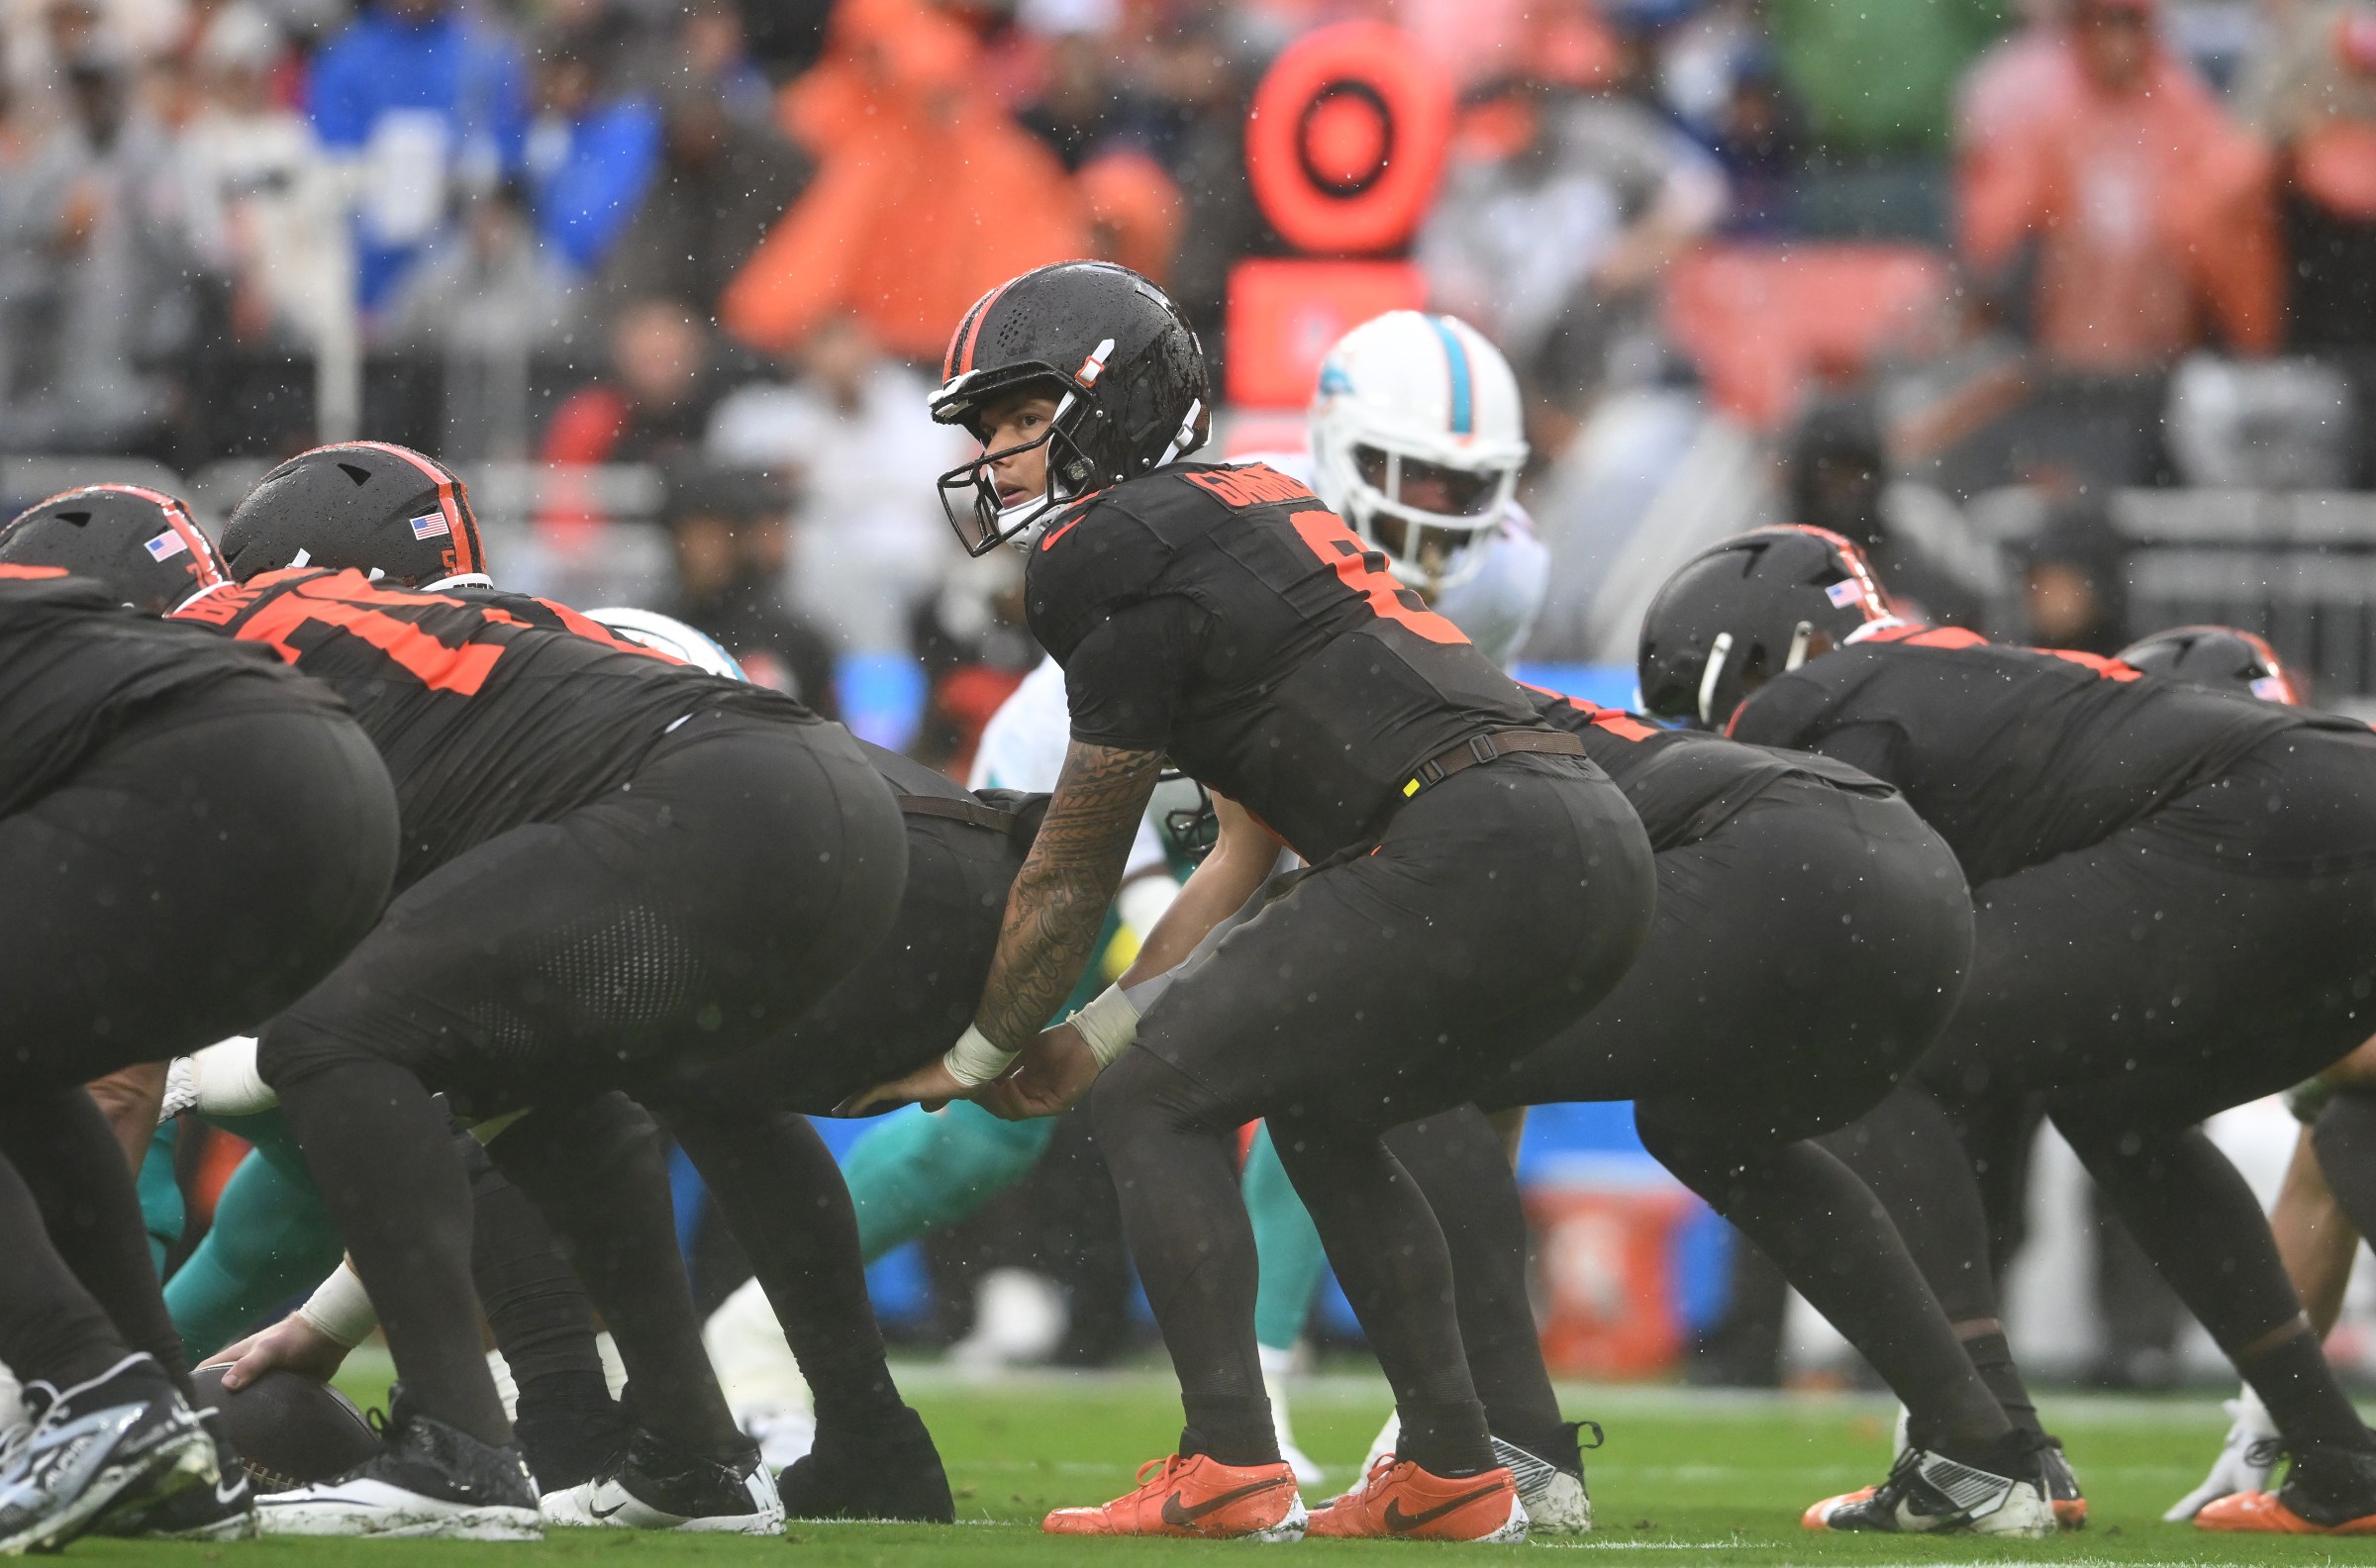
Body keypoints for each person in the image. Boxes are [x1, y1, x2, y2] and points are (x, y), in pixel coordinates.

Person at [854, 259, 1658, 1543]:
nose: (997, 455)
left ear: (1106, 407)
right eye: (988, 429)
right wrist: (1095, 1033)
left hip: (1457, 840)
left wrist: (980, 1048)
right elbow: (1244, 860)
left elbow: (1073, 863)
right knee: (1326, 1111)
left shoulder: (1101, 547)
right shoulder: (1255, 506)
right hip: (1582, 836)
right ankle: (1454, 1469)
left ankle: (1230, 1457)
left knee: (1158, 1104)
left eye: (1017, 418)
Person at [1, 452, 910, 1539]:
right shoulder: (363, 631)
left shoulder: (210, 658)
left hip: (712, 800)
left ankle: (463, 1459)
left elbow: (127, 1071)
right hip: (835, 807)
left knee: (329, 1039)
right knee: (537, 1089)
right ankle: (699, 1453)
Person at [1639, 525, 2376, 1535]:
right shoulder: (1940, 679)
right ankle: (2338, 1459)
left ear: (1759, 659)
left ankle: (1986, 1448)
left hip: (2263, 815)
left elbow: (1821, 941)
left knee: (1874, 1030)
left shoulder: (1820, 700)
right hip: (2332, 797)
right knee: (2123, 1109)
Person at [0, 487, 403, 1549]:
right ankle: (164, 1428)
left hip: (216, 779)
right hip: (339, 785)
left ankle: (96, 1394)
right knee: (24, 1066)